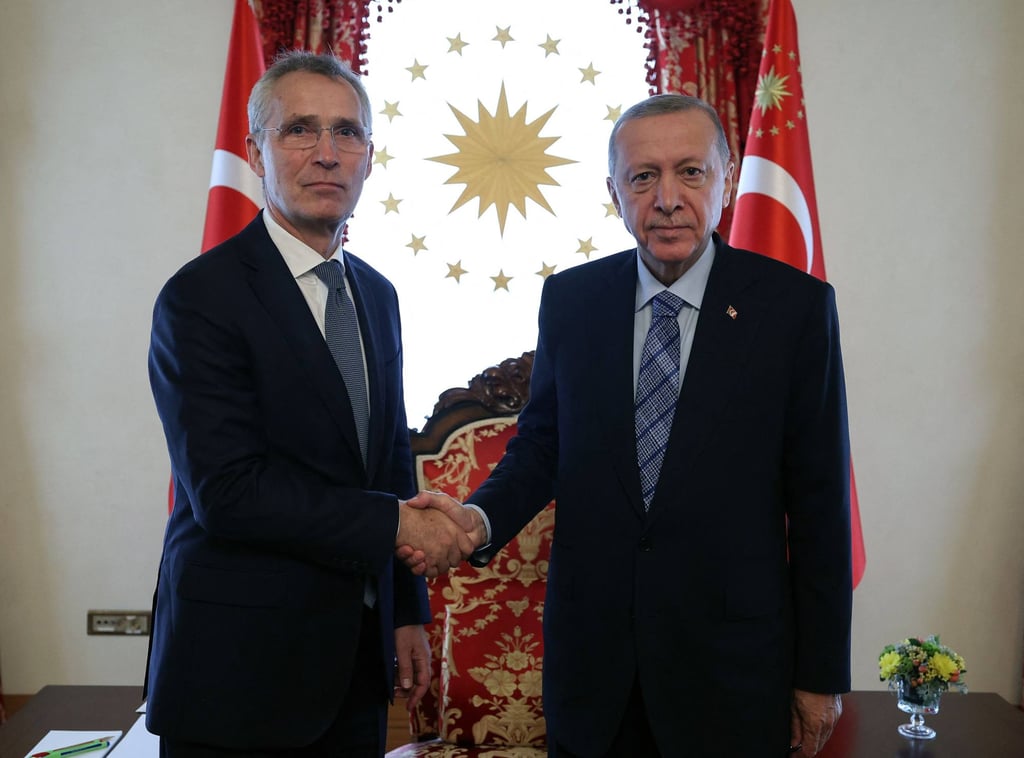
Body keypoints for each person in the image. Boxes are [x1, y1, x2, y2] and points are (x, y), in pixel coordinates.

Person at [404, 94, 853, 757]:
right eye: (643, 176)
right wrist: (476, 520)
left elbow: (820, 505)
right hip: (595, 677)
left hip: (731, 676)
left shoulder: (793, 309)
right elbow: (542, 445)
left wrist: (819, 674)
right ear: (614, 191)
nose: (667, 197)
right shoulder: (573, 301)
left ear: (726, 180)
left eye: (690, 172)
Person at [146, 50, 472, 757]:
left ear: (369, 159)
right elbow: (228, 492)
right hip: (237, 670)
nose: (327, 154)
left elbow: (385, 456)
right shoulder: (200, 298)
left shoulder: (377, 295)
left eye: (346, 133)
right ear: (255, 151)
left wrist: (405, 611)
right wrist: (396, 525)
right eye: (300, 130)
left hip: (353, 667)